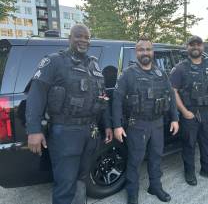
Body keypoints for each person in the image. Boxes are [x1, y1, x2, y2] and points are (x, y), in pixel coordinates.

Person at [26, 24, 113, 204]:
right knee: (65, 184)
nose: (83, 40)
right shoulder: (54, 61)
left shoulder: (93, 64)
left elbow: (102, 97)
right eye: (78, 36)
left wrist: (108, 125)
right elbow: (36, 95)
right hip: (65, 131)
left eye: (87, 37)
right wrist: (34, 130)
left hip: (90, 131)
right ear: (69, 38)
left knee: (82, 177)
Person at [113, 37, 179, 204]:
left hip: (157, 123)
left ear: (152, 52)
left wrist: (175, 118)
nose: (145, 53)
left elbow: (171, 95)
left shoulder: (160, 73)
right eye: (141, 50)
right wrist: (117, 126)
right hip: (137, 124)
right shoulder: (128, 74)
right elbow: (117, 100)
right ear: (136, 53)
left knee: (156, 157)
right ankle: (132, 193)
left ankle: (155, 186)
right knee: (135, 160)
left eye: (148, 49)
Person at [169, 35, 208, 186]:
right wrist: (185, 112)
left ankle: (207, 169)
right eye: (192, 45)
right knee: (189, 144)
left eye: (198, 44)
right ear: (187, 47)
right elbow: (173, 91)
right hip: (190, 113)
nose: (195, 47)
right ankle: (189, 171)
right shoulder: (180, 68)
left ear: (202, 47)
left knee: (207, 143)